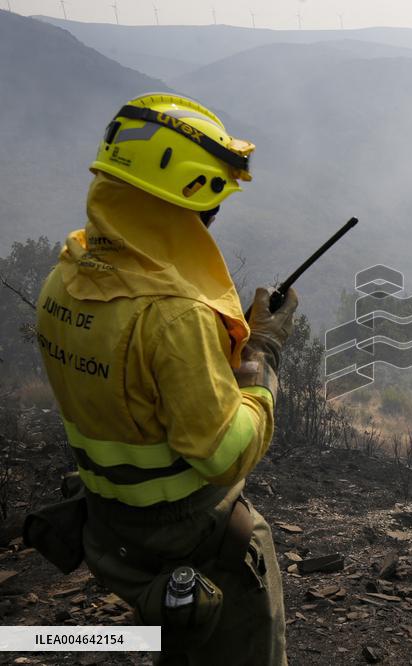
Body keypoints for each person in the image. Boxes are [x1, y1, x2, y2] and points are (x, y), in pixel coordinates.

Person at [34, 94, 292, 664]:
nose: (210, 221)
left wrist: (218, 351)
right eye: (209, 207)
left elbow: (138, 388)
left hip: (112, 525)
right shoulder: (178, 317)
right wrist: (262, 356)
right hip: (187, 536)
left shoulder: (65, 279)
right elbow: (222, 453)